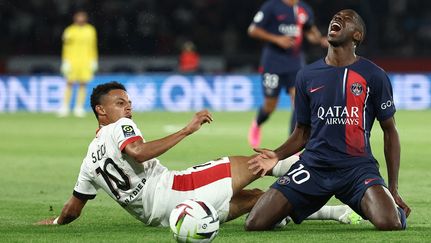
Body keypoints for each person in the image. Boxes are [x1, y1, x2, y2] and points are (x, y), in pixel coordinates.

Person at [37, 81, 360, 227]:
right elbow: (137, 151)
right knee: (256, 162)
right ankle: (333, 174)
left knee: (256, 197)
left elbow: (73, 208)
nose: (128, 107)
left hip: (166, 217)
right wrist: (187, 129)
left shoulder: (88, 162)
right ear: (101, 111)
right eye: (120, 103)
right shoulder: (117, 128)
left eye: (128, 102)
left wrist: (55, 222)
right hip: (176, 189)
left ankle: (334, 213)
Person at [245, 9, 411, 231]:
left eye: (347, 18)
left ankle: (390, 206)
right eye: (335, 17)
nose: (337, 18)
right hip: (314, 166)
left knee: (390, 223)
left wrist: (393, 188)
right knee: (255, 223)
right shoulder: (306, 75)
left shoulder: (374, 75)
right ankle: (289, 207)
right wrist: (276, 155)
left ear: (357, 36)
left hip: (357, 169)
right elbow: (302, 132)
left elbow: (390, 131)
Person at [248, 0, 328, 148]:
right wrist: (277, 39)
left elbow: (309, 31)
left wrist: (321, 39)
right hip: (272, 63)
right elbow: (253, 30)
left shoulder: (304, 9)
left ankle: (294, 145)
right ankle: (257, 123)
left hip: (295, 64)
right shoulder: (272, 6)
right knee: (270, 105)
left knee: (299, 102)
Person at [58, 10, 98, 117]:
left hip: (85, 61)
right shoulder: (70, 31)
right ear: (75, 19)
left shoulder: (90, 30)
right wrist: (65, 61)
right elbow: (66, 47)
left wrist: (94, 60)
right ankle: (65, 107)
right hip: (72, 60)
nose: (80, 19)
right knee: (69, 83)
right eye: (78, 17)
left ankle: (79, 107)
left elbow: (93, 46)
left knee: (83, 84)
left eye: (82, 17)